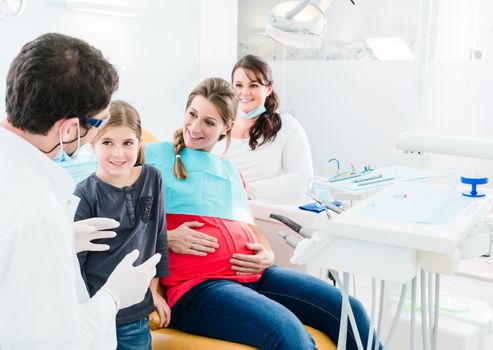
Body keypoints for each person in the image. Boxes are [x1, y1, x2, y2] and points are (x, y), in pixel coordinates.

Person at [144, 77, 380, 350]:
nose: (195, 127)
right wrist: (168, 237)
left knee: (349, 309)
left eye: (209, 122)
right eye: (192, 115)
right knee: (287, 331)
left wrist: (267, 254)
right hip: (198, 287)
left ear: (226, 127)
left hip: (257, 275)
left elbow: (250, 227)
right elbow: (124, 218)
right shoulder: (154, 157)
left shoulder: (230, 172)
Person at [0, 33, 160, 350]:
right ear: (69, 128)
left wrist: (60, 239)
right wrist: (113, 298)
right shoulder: (32, 209)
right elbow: (53, 343)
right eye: (99, 125)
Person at [74, 100, 169, 350]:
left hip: (136, 316)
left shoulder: (153, 178)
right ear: (93, 143)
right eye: (107, 143)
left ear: (139, 143)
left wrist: (153, 292)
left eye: (127, 143)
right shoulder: (85, 193)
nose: (118, 153)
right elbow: (77, 263)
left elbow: (158, 237)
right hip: (99, 312)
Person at [212, 54, 313, 204]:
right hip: (220, 212)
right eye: (238, 85)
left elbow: (304, 179)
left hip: (263, 215)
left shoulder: (286, 126)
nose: (244, 93)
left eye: (253, 85)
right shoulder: (219, 125)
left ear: (269, 89)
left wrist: (247, 192)